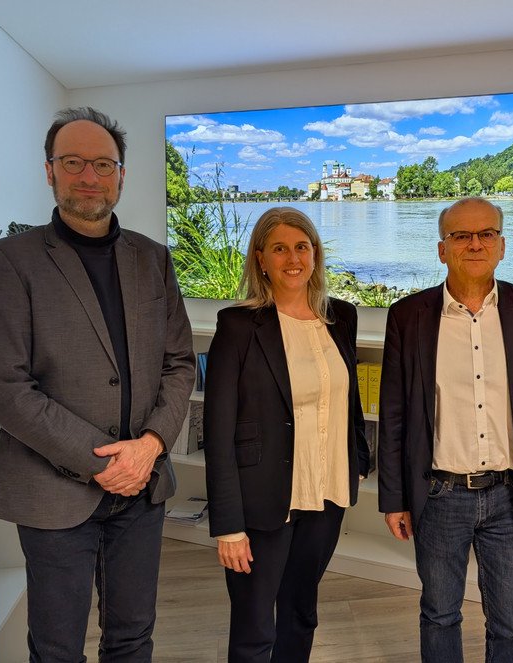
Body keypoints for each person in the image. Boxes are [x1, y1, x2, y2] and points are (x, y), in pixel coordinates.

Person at [0, 107, 195, 661]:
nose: (89, 177)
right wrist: (105, 463)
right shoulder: (9, 261)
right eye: (73, 162)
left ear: (122, 174)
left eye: (103, 164)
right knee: (56, 647)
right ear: (49, 171)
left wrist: (148, 449)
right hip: (54, 492)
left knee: (132, 637)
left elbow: (180, 364)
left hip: (143, 487)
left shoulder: (153, 259)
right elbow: (5, 387)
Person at [378, 197, 513, 662]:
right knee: (439, 614)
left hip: (510, 495)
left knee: (511, 624)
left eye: (486, 234)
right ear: (442, 250)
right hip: (438, 496)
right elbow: (395, 413)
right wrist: (394, 497)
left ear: (503, 245)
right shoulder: (408, 316)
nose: (474, 244)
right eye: (461, 235)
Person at [203, 207, 370, 663]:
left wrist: (358, 460)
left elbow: (348, 399)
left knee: (301, 613)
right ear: (261, 258)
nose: (292, 258)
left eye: (302, 246)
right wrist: (229, 526)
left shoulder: (342, 317)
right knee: (256, 627)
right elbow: (217, 432)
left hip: (328, 496)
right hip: (263, 503)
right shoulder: (237, 327)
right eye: (279, 248)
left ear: (315, 254)